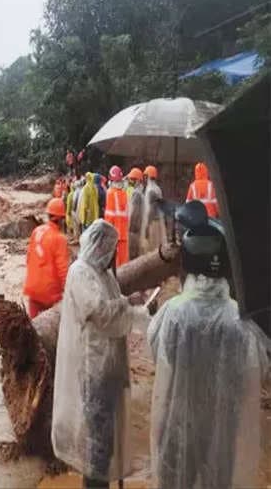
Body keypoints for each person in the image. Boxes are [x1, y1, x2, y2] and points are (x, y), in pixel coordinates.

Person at [148, 201, 269, 489]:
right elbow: (258, 370)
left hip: (178, 421)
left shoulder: (173, 313)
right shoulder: (240, 321)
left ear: (186, 267)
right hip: (221, 425)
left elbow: (156, 355)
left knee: (178, 480)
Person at [52, 220, 150, 488]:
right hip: (92, 366)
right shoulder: (80, 272)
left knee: (108, 435)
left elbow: (115, 308)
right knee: (97, 436)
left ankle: (104, 478)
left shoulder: (104, 274)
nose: (113, 255)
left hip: (109, 365)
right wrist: (126, 305)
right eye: (110, 248)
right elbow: (98, 311)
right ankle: (95, 484)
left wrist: (133, 306)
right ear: (99, 246)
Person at [23, 197, 70, 319]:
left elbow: (28, 258)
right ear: (61, 219)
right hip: (50, 293)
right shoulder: (60, 238)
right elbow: (63, 270)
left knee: (34, 327)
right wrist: (69, 292)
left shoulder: (37, 231)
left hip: (32, 288)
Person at [104, 165, 129, 267]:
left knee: (115, 263)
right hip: (124, 233)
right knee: (124, 262)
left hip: (114, 234)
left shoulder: (110, 193)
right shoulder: (124, 194)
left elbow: (109, 216)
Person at [141, 165, 166, 252]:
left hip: (152, 222)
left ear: (148, 176)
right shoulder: (158, 188)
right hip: (158, 221)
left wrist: (147, 225)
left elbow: (151, 209)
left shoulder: (150, 190)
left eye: (145, 176)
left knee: (151, 249)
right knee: (158, 248)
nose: (144, 178)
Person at [126, 168, 144, 261]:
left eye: (132, 179)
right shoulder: (139, 192)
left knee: (132, 255)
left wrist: (129, 228)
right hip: (138, 228)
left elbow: (134, 213)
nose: (130, 181)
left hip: (133, 229)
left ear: (137, 180)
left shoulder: (137, 194)